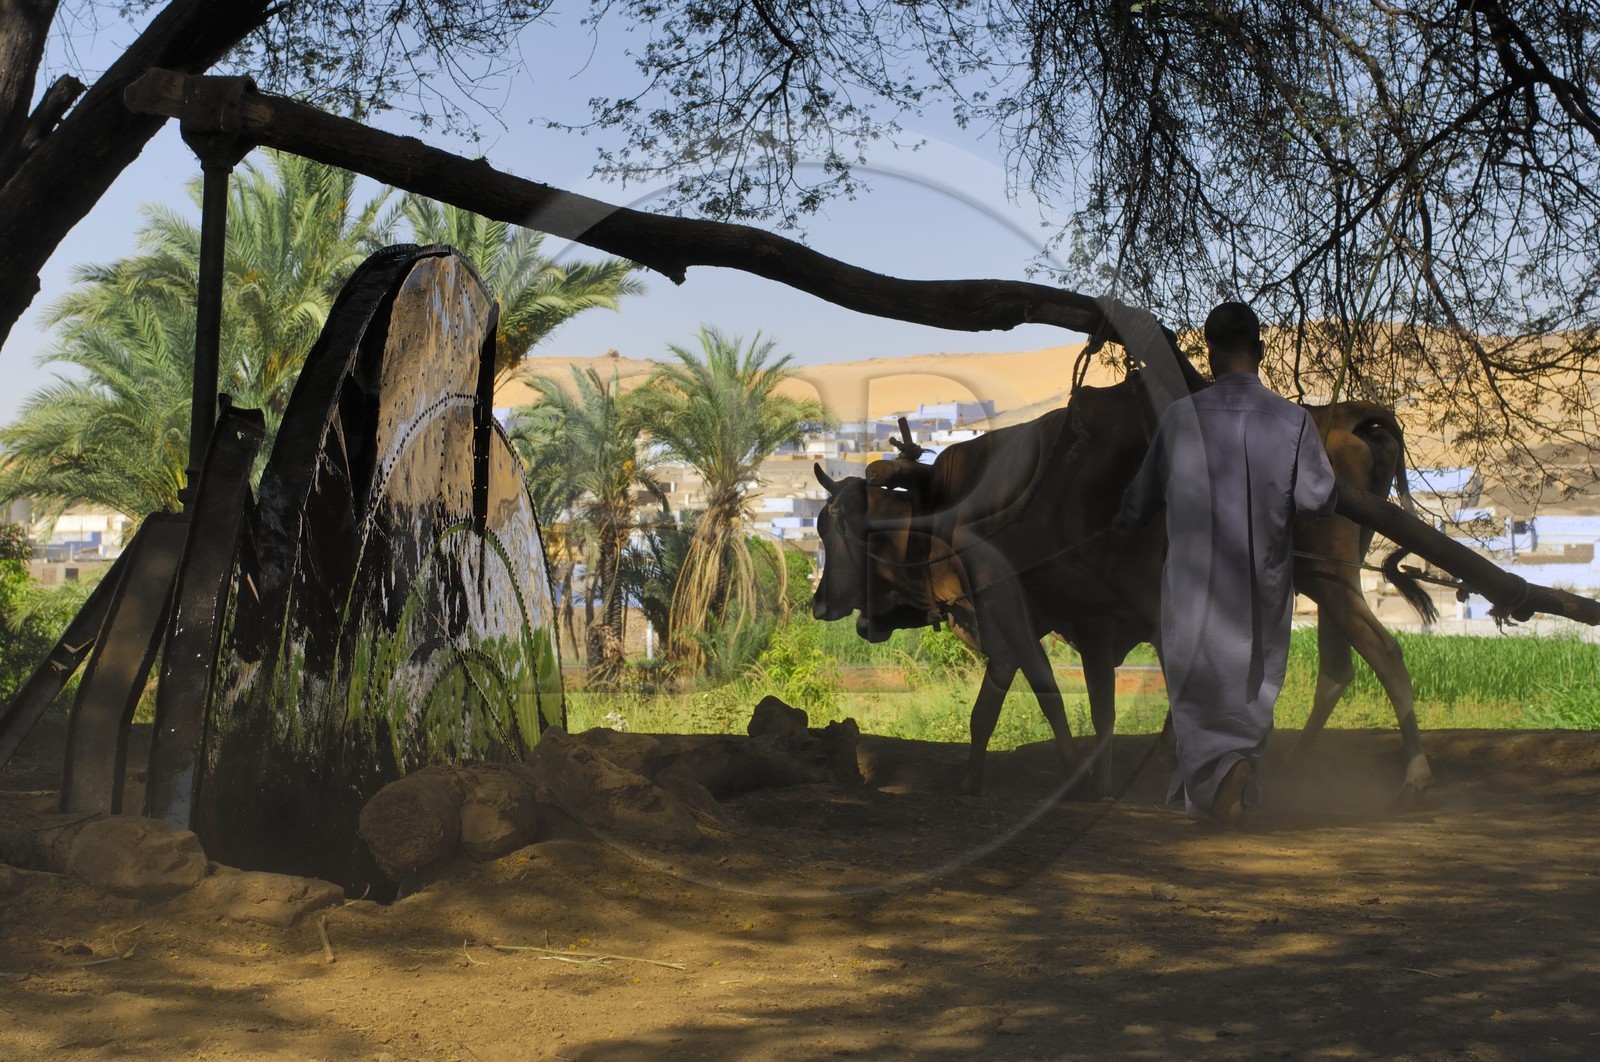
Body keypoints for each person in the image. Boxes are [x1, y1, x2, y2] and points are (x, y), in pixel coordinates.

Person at [1117, 301, 1337, 826]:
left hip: (1192, 593)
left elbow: (1137, 501)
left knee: (1194, 689)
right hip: (1260, 587)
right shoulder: (1294, 421)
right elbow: (1315, 501)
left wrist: (1122, 519)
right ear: (1260, 352)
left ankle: (1220, 777)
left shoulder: (1177, 419)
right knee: (1252, 684)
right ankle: (1236, 764)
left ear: (1210, 355)